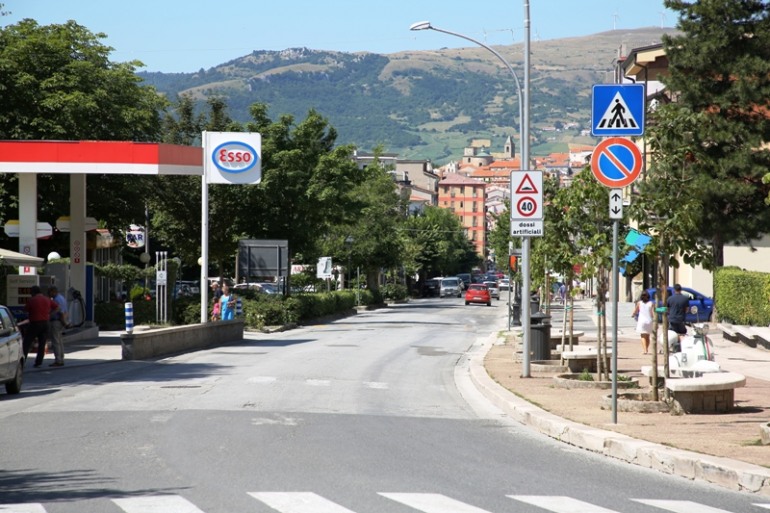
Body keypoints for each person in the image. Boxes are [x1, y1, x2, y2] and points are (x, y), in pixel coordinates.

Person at [23, 285, 59, 368]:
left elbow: (25, 309)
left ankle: (23, 360)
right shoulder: (47, 299)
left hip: (35, 323)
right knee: (42, 343)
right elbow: (57, 307)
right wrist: (49, 314)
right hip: (45, 323)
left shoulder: (32, 300)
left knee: (27, 342)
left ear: (33, 292)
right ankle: (39, 362)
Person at [47, 286, 69, 367]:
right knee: (59, 341)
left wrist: (64, 322)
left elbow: (61, 312)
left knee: (55, 341)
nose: (48, 294)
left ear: (53, 291)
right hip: (61, 322)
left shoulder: (56, 300)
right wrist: (65, 322)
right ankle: (61, 358)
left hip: (57, 321)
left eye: (49, 292)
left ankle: (58, 360)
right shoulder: (62, 298)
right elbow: (65, 311)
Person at [667, 284, 690, 349]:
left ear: (674, 290)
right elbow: (687, 310)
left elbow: (667, 309)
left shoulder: (670, 298)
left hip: (672, 319)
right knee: (682, 333)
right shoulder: (685, 299)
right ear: (681, 290)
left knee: (673, 333)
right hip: (681, 319)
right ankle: (681, 346)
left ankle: (673, 346)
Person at [632, 290, 654, 354]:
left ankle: (645, 350)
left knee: (642, 336)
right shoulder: (651, 303)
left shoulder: (639, 303)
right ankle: (646, 348)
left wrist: (633, 315)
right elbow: (652, 313)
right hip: (649, 321)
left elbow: (635, 311)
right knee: (648, 336)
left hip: (642, 321)